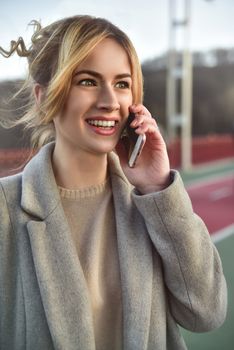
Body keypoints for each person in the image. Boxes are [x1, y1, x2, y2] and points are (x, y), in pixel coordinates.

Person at [0, 15, 227, 350]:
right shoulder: (6, 208)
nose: (109, 101)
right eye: (88, 81)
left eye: (122, 84)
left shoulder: (152, 201)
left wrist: (158, 188)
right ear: (43, 96)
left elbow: (206, 312)